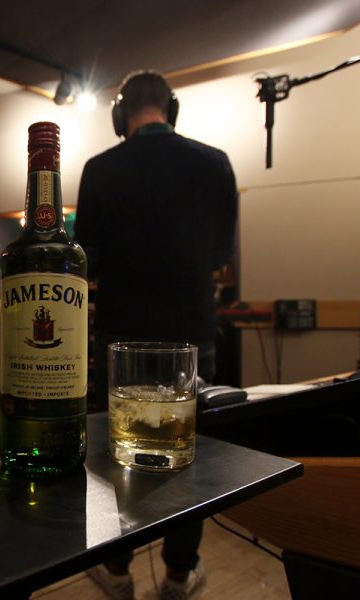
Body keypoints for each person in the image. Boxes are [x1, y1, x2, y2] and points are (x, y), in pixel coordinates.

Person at [74, 71, 238, 600]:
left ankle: (116, 568)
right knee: (187, 456)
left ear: (120, 116)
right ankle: (177, 575)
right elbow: (220, 255)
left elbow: (87, 258)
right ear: (173, 108)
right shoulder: (216, 163)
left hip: (120, 336)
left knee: (113, 452)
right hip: (192, 334)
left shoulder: (99, 169)